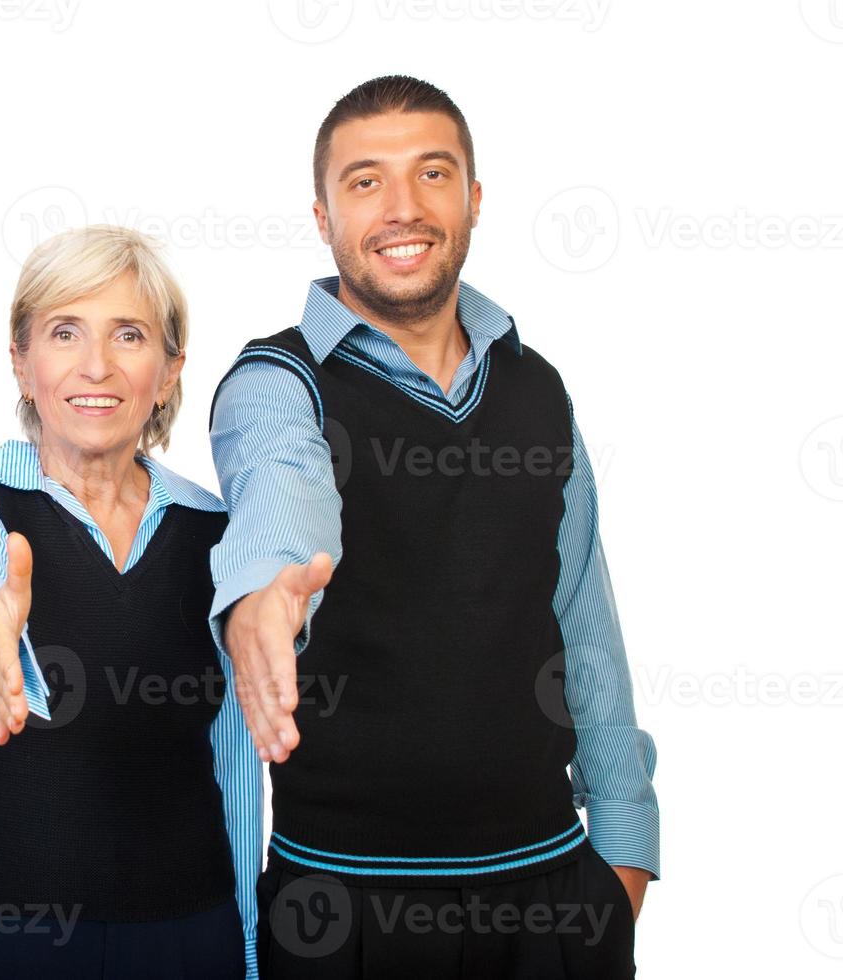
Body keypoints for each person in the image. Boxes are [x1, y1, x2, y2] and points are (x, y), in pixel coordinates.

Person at [209, 76, 660, 978]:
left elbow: (583, 622)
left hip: (554, 896)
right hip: (340, 913)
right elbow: (280, 493)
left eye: (433, 174)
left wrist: (623, 860)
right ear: (322, 213)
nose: (402, 208)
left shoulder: (538, 386)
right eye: (365, 181)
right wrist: (266, 597)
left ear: (475, 199)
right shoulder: (276, 383)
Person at [0, 225, 262, 978]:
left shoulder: (217, 533)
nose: (95, 365)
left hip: (186, 936)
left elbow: (234, 765)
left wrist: (250, 953)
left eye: (129, 335)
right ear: (21, 361)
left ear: (168, 372)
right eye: (64, 331)